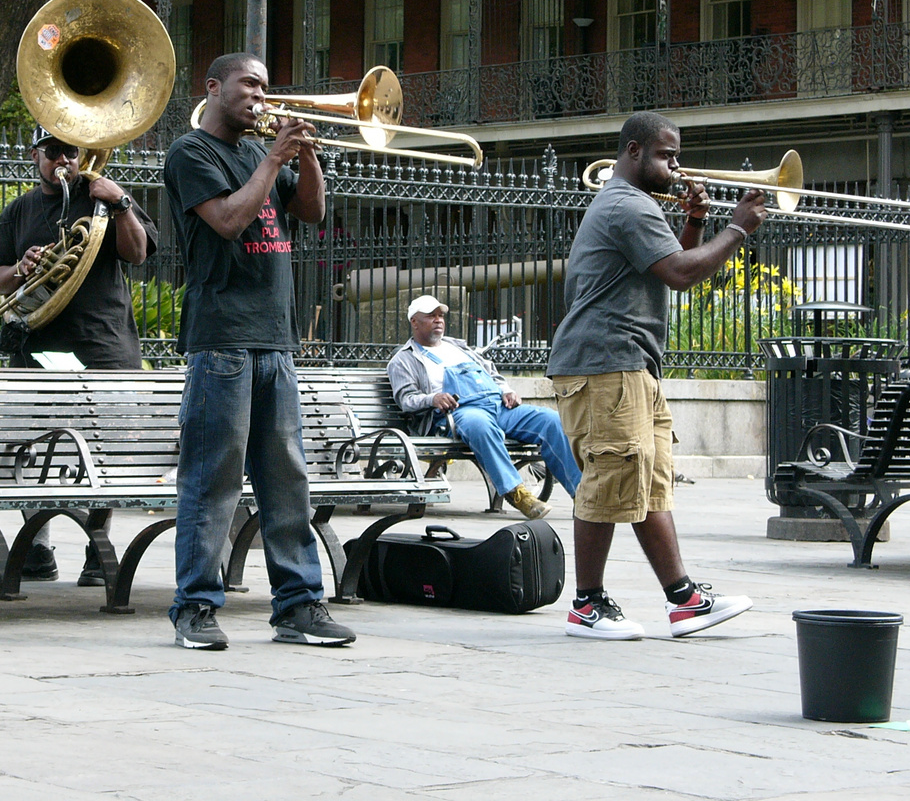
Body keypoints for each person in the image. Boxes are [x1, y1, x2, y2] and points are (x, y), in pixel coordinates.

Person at [548, 111, 767, 640]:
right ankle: (587, 605)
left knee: (646, 484)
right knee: (608, 479)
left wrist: (694, 222)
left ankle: (684, 600)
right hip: (606, 362)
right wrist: (737, 228)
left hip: (629, 363)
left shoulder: (633, 206)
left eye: (675, 156)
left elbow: (673, 265)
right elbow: (682, 273)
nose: (675, 166)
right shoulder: (626, 204)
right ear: (633, 153)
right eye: (666, 155)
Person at [163, 52, 356, 650]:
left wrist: (306, 154)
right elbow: (226, 219)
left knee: (287, 480)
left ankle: (299, 606)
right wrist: (275, 157)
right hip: (220, 337)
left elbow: (313, 211)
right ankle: (195, 609)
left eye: (265, 86)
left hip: (276, 339)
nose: (260, 95)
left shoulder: (257, 153)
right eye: (249, 84)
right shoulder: (191, 153)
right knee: (213, 480)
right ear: (214, 88)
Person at [0, 126, 158, 584]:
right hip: (38, 343)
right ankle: (37, 549)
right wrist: (22, 267)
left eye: (70, 151)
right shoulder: (19, 209)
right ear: (36, 154)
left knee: (105, 450)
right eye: (52, 151)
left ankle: (97, 551)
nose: (62, 160)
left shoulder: (104, 195)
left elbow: (138, 254)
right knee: (30, 443)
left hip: (103, 342)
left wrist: (119, 203)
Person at [387, 294, 581, 519]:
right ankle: (517, 494)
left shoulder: (460, 348)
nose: (438, 320)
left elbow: (493, 375)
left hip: (499, 406)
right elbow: (406, 400)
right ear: (414, 322)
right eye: (431, 316)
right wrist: (432, 399)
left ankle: (581, 494)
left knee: (551, 420)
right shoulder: (403, 360)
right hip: (459, 413)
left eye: (440, 315)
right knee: (480, 426)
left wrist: (507, 389)